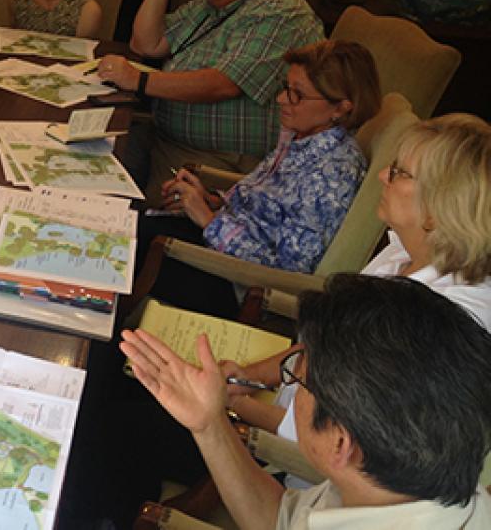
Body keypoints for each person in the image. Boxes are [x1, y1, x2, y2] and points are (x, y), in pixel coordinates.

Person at [121, 274, 491, 529]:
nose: (290, 386)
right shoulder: (427, 488)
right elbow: (282, 519)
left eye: (298, 380)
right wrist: (210, 424)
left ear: (341, 442)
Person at [224, 112, 491, 440]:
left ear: (439, 209)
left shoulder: (445, 317)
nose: (381, 175)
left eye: (398, 173)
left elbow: (339, 440)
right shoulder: (403, 250)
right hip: (278, 414)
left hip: (304, 470)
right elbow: (321, 347)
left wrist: (229, 403)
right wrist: (244, 379)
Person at [141, 40, 381, 317]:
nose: (281, 99)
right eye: (285, 87)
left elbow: (286, 272)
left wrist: (208, 219)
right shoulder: (301, 135)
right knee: (126, 221)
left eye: (297, 95)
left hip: (235, 284)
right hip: (222, 248)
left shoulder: (332, 175)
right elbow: (261, 203)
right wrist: (212, 201)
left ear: (341, 108)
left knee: (127, 246)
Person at [97, 0, 323, 205]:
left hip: (218, 162)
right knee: (85, 162)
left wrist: (138, 80)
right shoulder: (213, 3)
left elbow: (224, 84)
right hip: (166, 140)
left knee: (108, 201)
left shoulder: (278, 11)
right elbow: (146, 43)